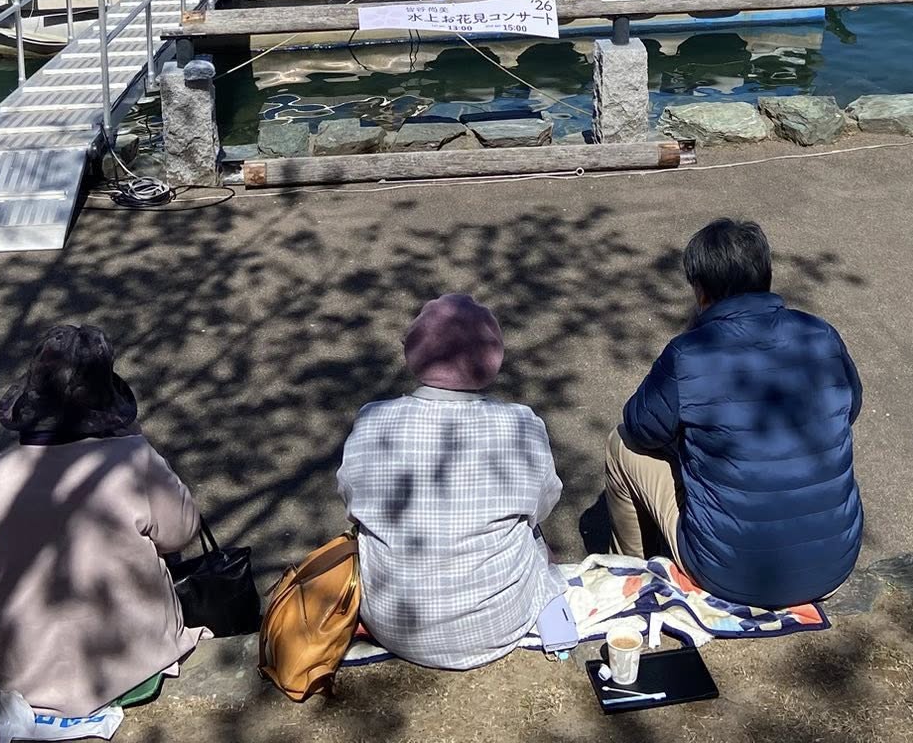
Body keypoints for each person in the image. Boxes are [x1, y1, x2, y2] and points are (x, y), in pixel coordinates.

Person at [0, 326, 201, 718]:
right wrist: (135, 442)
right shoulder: (133, 459)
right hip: (133, 662)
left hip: (14, 669)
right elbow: (183, 531)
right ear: (107, 403)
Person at [605, 219, 863, 609]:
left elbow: (640, 428)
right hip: (834, 567)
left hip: (728, 575)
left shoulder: (689, 352)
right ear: (767, 276)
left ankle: (633, 581)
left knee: (620, 447)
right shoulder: (821, 335)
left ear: (699, 290)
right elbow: (850, 408)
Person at [339, 295, 565, 669]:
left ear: (415, 350)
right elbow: (542, 507)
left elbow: (351, 502)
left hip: (393, 624)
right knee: (533, 536)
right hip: (499, 624)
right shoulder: (522, 425)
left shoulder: (372, 421)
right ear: (492, 358)